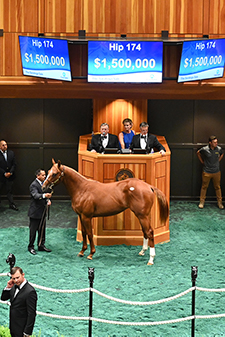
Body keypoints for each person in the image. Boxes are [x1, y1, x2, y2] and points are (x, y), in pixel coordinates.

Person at [1, 266, 37, 337]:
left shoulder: (30, 292)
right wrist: (8, 287)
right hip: (13, 327)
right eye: (14, 278)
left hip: (22, 329)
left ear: (23, 275)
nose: (16, 280)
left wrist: (27, 332)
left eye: (18, 277)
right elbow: (3, 298)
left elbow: (32, 314)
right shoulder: (13, 286)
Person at [28, 169, 52, 255]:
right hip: (35, 213)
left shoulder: (43, 184)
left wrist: (47, 200)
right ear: (38, 176)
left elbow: (44, 195)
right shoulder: (33, 185)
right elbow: (36, 196)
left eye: (45, 175)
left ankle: (41, 245)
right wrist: (45, 196)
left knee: (42, 230)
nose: (44, 176)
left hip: (42, 212)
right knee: (33, 231)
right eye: (43, 175)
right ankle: (31, 246)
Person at [197, 135, 224, 209]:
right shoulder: (205, 149)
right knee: (204, 187)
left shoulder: (219, 149)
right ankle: (202, 202)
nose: (216, 143)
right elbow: (198, 153)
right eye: (214, 142)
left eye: (216, 142)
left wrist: (218, 161)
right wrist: (202, 162)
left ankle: (220, 203)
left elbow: (222, 154)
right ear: (210, 143)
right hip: (206, 172)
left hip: (216, 172)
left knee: (217, 187)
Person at [0, 139, 18, 211]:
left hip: (10, 176)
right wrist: (4, 173)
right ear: (0, 146)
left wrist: (10, 172)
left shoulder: (11, 153)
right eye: (3, 145)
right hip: (1, 176)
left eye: (6, 145)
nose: (5, 146)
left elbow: (14, 164)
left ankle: (11, 204)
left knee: (9, 190)